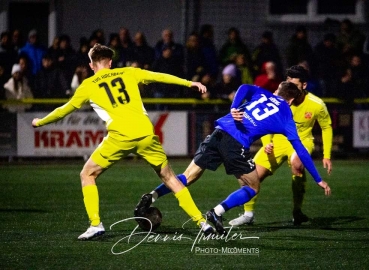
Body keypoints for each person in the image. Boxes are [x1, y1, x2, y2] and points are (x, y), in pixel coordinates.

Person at [31, 43, 213, 240]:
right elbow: (159, 76)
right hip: (145, 134)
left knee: (87, 174)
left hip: (120, 137)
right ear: (110, 63)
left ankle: (95, 225)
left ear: (92, 66)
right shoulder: (128, 72)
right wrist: (189, 83)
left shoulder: (88, 86)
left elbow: (64, 110)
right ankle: (202, 222)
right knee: (170, 179)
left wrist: (40, 122)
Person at [136, 81, 331, 235]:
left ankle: (151, 196)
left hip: (218, 133)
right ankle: (217, 212)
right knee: (252, 187)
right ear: (290, 101)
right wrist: (318, 178)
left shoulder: (263, 94)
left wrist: (234, 107)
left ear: (277, 91)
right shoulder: (287, 115)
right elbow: (301, 151)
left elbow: (244, 87)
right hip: (235, 144)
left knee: (188, 177)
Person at [228, 65, 333, 226]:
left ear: (304, 85)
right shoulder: (278, 98)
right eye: (287, 80)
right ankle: (248, 214)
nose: (288, 85)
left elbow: (326, 127)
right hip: (277, 142)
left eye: (294, 82)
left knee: (298, 163)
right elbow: (266, 119)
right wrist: (267, 142)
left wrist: (326, 155)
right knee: (250, 176)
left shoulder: (317, 104)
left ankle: (297, 211)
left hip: (302, 141)